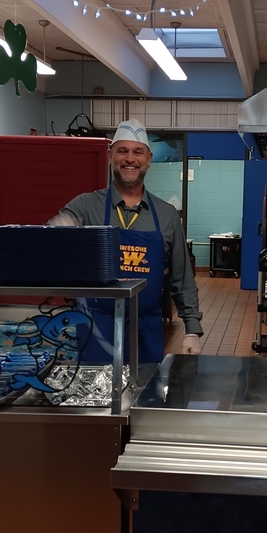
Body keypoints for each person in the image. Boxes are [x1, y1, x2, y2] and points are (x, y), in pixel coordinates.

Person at [48, 119, 203, 364]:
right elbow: (49, 243)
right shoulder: (85, 207)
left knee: (144, 395)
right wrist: (56, 232)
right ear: (111, 156)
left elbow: (181, 278)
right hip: (95, 330)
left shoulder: (166, 215)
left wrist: (192, 327)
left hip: (146, 331)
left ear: (148, 159)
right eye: (122, 151)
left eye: (137, 152)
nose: (130, 158)